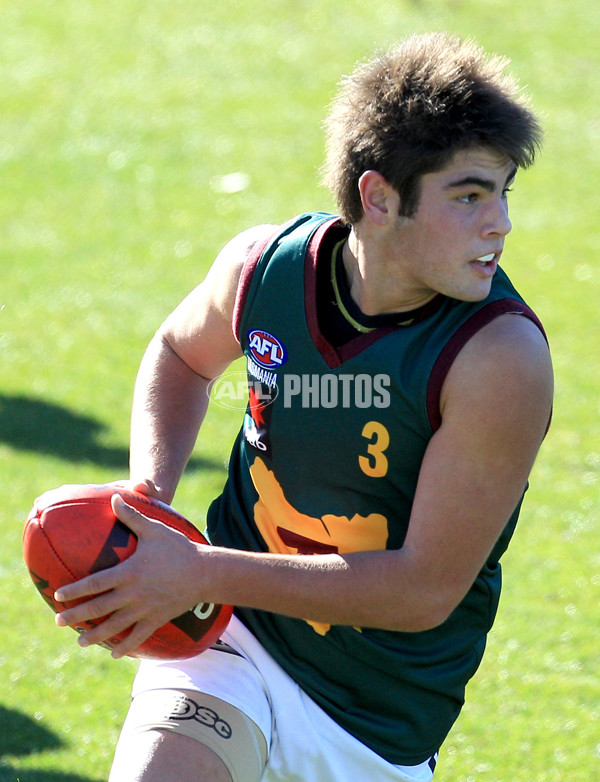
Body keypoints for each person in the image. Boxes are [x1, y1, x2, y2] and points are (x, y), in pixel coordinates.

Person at [52, 32, 553, 782]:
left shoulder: (499, 359)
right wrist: (149, 500)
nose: (500, 225)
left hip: (377, 721)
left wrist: (199, 571)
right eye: (470, 195)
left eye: (503, 192)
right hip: (232, 641)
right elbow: (181, 357)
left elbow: (423, 589)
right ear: (379, 199)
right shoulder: (263, 270)